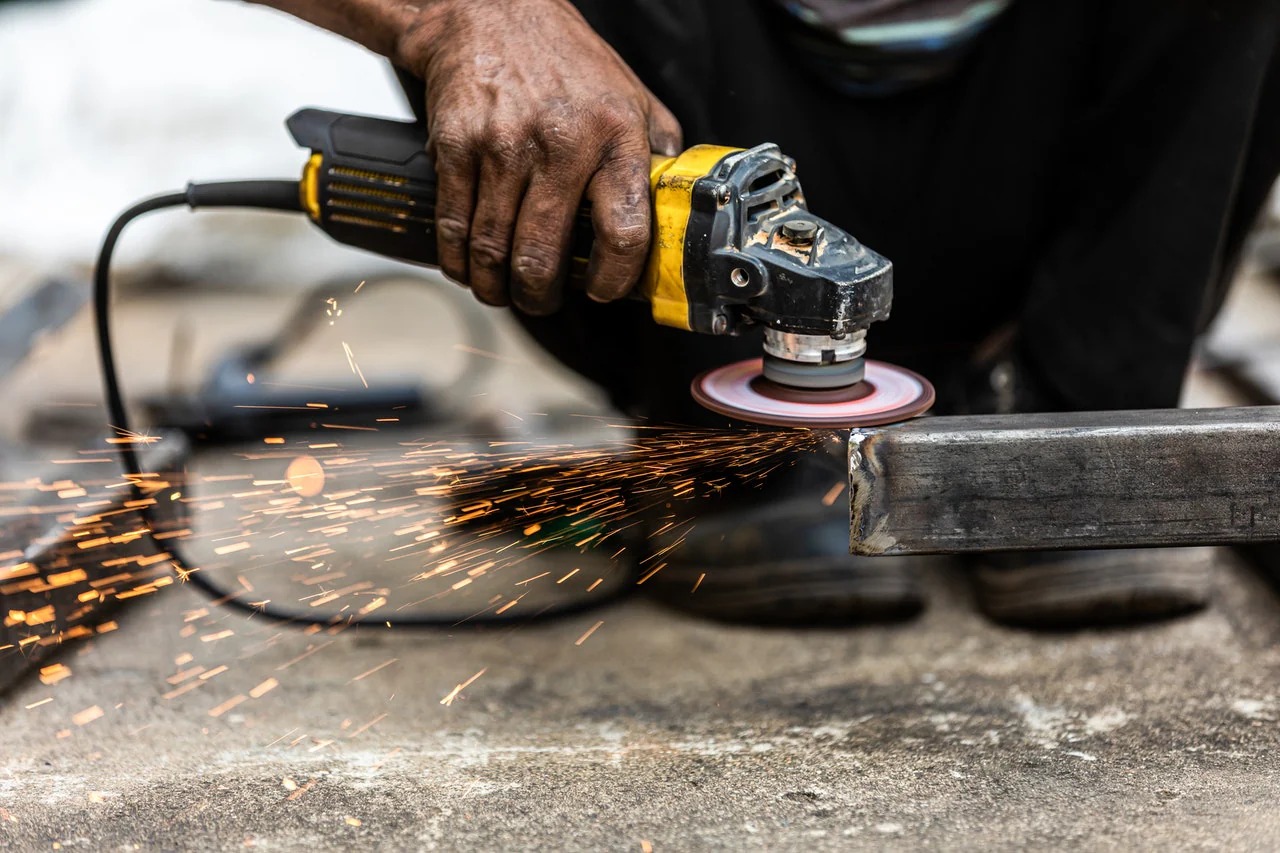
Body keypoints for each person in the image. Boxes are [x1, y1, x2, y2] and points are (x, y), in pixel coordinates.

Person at [247, 0, 1280, 628]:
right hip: (641, 120)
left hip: (1053, 156)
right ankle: (724, 462)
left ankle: (1076, 428)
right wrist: (466, 12)